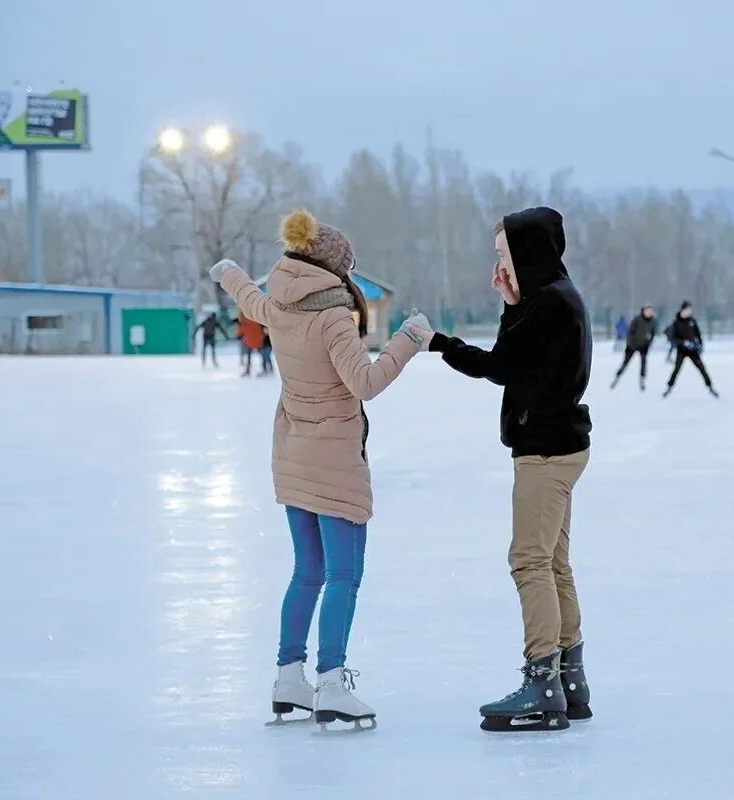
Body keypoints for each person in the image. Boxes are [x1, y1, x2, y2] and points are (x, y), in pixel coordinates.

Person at [209, 209, 430, 730]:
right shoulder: (333, 316)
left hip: (292, 454)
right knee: (343, 575)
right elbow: (366, 382)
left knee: (307, 571)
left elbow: (248, 297)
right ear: (335, 270)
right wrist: (409, 338)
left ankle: (289, 675)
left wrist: (227, 272)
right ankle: (330, 682)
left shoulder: (278, 303)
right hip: (334, 461)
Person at [424, 207, 593, 733]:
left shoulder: (550, 305)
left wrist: (439, 343)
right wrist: (510, 303)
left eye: (504, 255)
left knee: (529, 562)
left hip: (545, 452)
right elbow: (518, 355)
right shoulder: (553, 298)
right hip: (560, 445)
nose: (498, 265)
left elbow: (499, 365)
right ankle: (569, 680)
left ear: (528, 253)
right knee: (552, 562)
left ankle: (543, 684)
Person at [663, 301, 718, 398]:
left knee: (702, 368)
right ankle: (669, 387)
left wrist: (700, 345)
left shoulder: (692, 321)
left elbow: (698, 334)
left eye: (690, 310)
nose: (689, 312)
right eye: (687, 310)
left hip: (693, 350)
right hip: (682, 351)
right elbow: (674, 338)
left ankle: (710, 387)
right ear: (682, 310)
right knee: (676, 369)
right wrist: (683, 343)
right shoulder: (676, 322)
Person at [611, 305, 657, 391]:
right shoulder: (637, 319)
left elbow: (653, 333)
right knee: (626, 362)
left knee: (643, 363)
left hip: (643, 345)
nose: (649, 313)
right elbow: (630, 332)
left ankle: (642, 380)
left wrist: (648, 344)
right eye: (648, 311)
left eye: (651, 312)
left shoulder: (652, 321)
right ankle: (617, 377)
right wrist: (630, 343)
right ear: (644, 311)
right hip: (632, 345)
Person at [238, 312, 266, 376]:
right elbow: (261, 332)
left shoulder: (244, 323)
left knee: (248, 357)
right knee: (262, 356)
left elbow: (239, 333)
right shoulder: (257, 322)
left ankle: (248, 370)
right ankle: (264, 369)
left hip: (248, 342)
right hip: (258, 342)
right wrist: (261, 339)